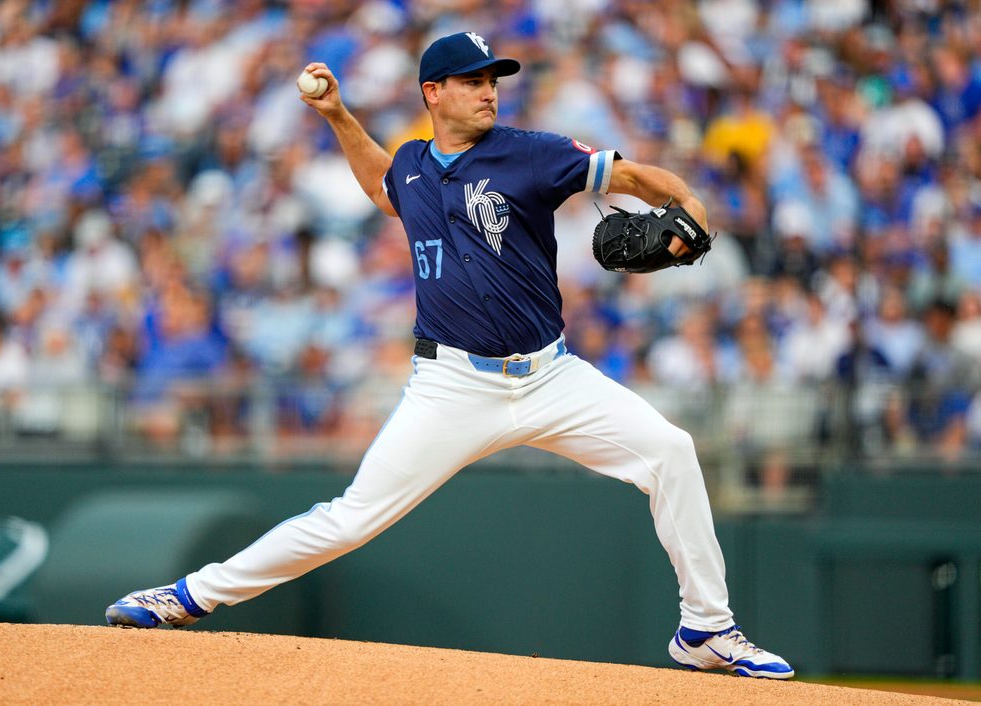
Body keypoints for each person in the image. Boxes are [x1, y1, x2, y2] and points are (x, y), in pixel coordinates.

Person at [106, 32, 794, 680]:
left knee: (671, 452)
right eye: (472, 81)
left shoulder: (531, 153)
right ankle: (187, 596)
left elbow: (631, 176)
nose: (489, 91)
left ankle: (706, 628)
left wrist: (691, 201)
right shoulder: (410, 165)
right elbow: (384, 188)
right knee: (350, 518)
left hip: (551, 375)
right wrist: (339, 114)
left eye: (492, 80)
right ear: (433, 92)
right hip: (452, 387)